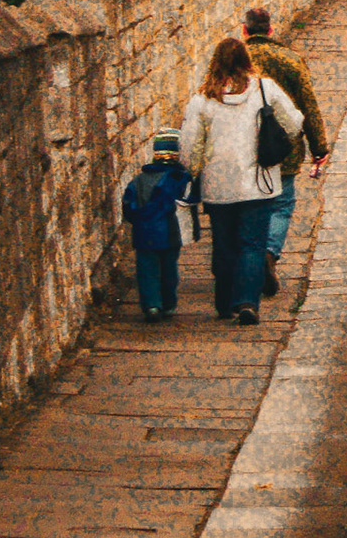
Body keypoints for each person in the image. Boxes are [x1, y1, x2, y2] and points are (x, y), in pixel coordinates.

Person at [180, 37, 305, 325]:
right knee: (253, 243)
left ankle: (225, 303)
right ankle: (248, 302)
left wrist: (193, 171)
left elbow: (189, 145)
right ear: (246, 60)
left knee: (223, 243)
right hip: (258, 183)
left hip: (217, 185)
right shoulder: (264, 89)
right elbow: (294, 123)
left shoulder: (202, 99)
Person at [243, 8, 332, 299]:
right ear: (270, 30)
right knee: (281, 204)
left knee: (248, 204)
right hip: (283, 146)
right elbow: (308, 105)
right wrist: (319, 147)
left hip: (243, 145)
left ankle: (247, 259)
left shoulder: (237, 62)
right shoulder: (290, 59)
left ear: (245, 30)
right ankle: (269, 252)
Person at [121, 129, 194, 322]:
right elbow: (189, 200)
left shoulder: (138, 180)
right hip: (170, 233)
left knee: (147, 270)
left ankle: (151, 305)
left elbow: (128, 206)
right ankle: (168, 304)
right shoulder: (179, 178)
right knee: (169, 271)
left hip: (144, 234)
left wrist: (139, 221)